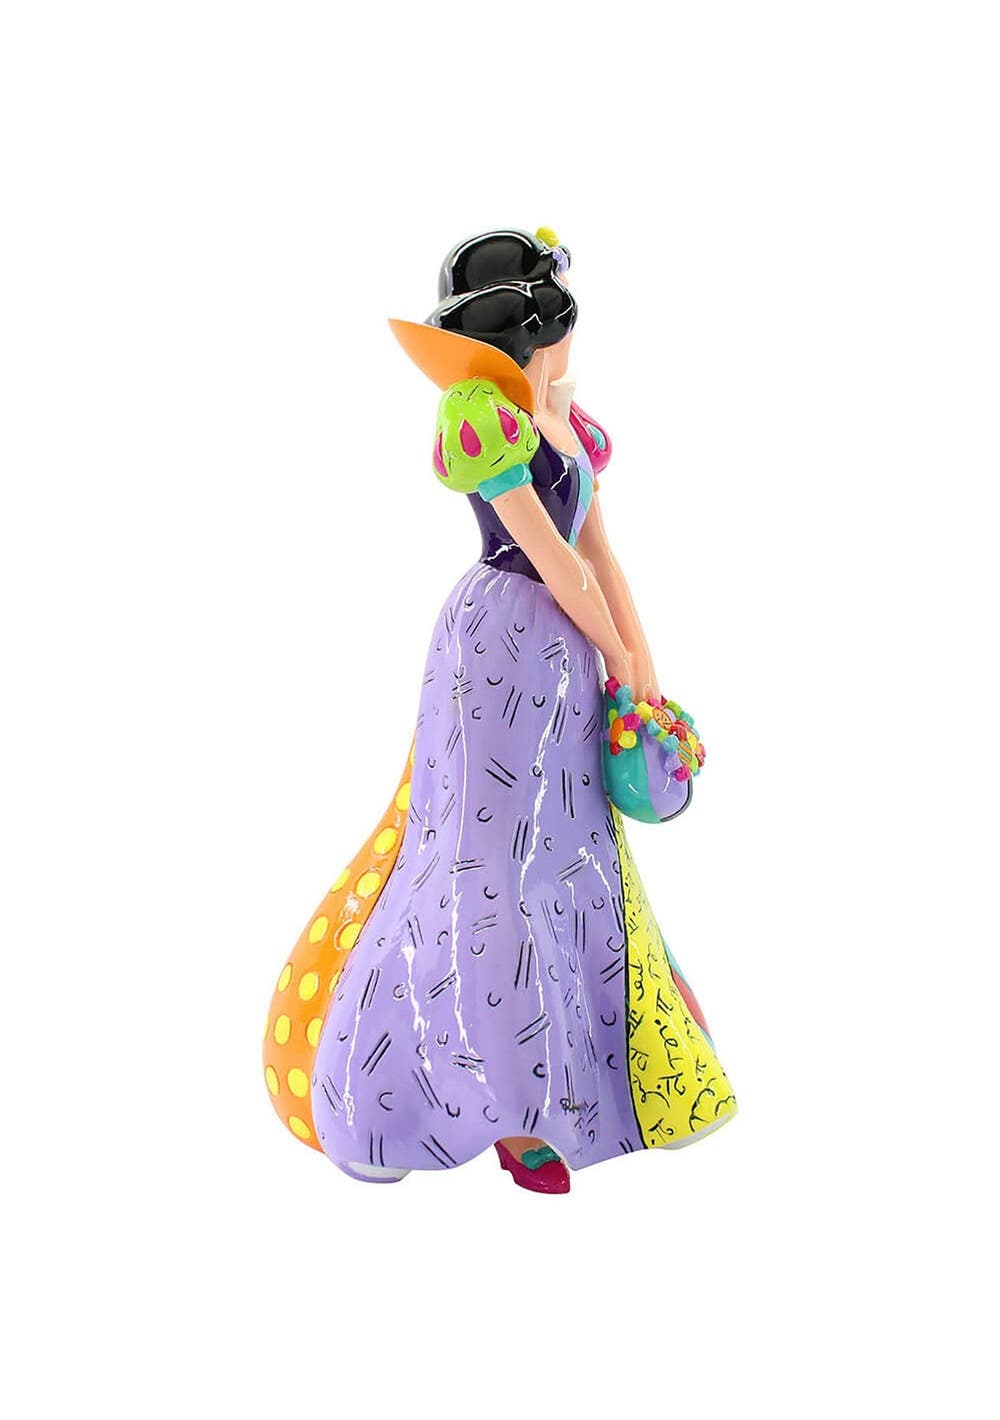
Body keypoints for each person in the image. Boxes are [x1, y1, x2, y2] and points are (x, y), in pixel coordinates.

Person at [263, 228, 736, 1193]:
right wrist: (616, 652)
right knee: (489, 861)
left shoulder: (564, 420)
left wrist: (641, 669)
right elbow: (551, 556)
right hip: (502, 646)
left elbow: (599, 553)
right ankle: (504, 1101)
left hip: (570, 648)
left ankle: (598, 1079)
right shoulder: (483, 417)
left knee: (577, 848)